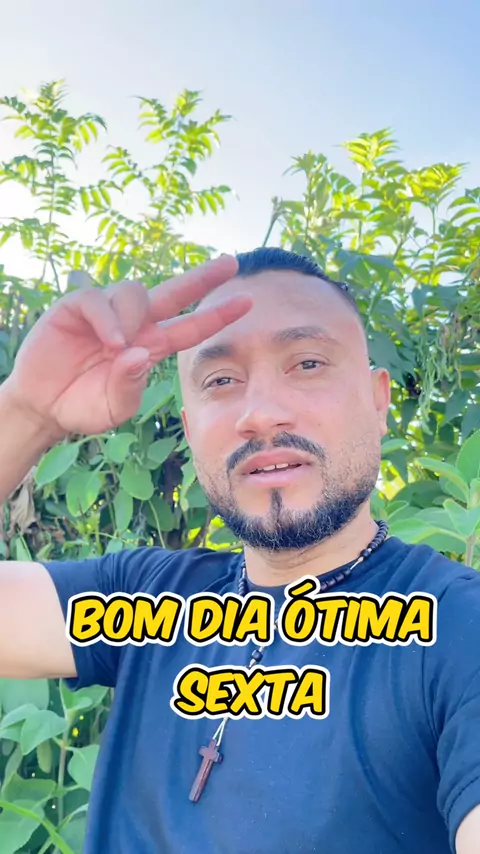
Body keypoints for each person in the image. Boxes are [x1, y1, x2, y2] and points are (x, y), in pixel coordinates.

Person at [0, 247, 479, 854]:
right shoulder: (143, 601)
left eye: (307, 363)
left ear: (378, 400)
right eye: (220, 381)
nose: (260, 414)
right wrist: (25, 412)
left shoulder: (458, 627)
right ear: (190, 426)